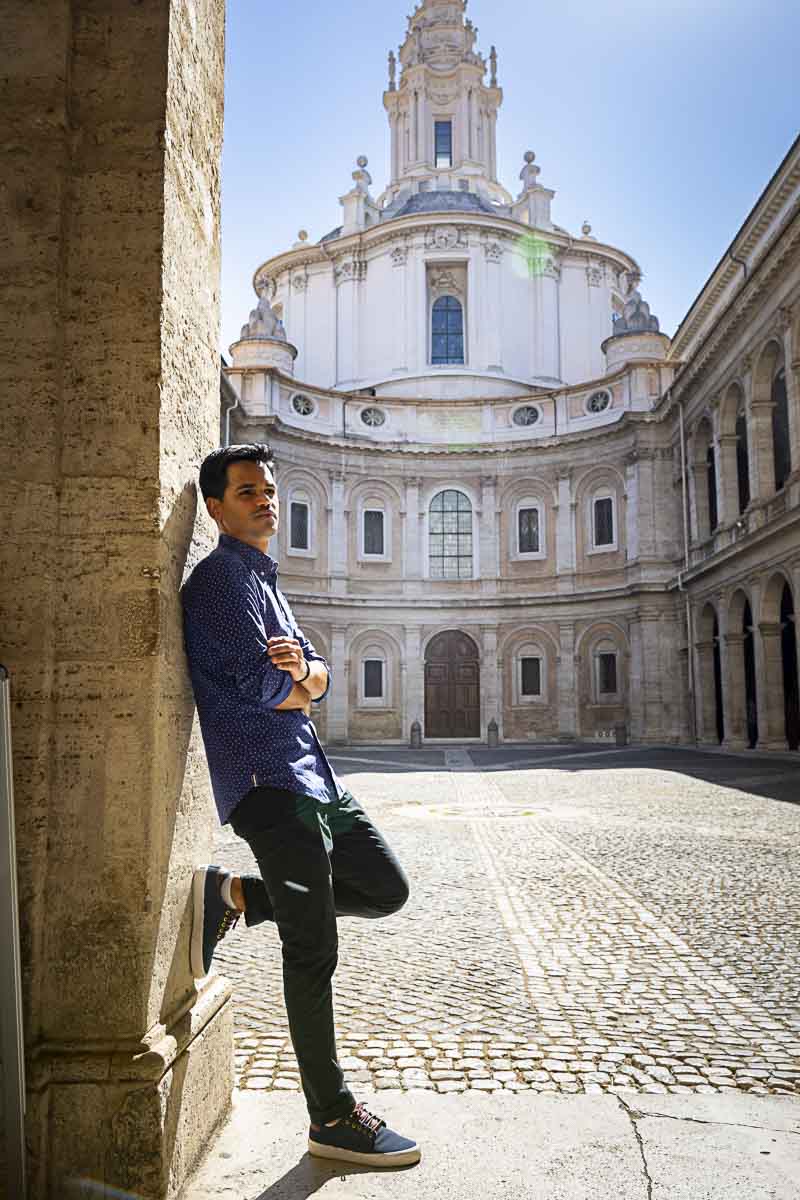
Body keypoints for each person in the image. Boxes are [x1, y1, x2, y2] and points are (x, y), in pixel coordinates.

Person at [181, 443, 419, 1168]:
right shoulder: (221, 580)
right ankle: (333, 1117)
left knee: (386, 887)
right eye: (247, 490)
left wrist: (308, 678)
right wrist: (304, 682)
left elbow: (315, 672)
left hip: (315, 779)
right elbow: (265, 685)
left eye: (269, 490)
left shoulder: (266, 578)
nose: (264, 499)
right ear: (215, 506)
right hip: (267, 785)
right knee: (313, 948)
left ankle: (235, 896)